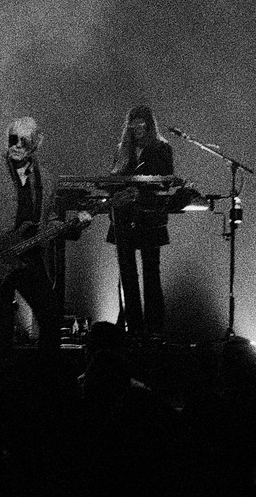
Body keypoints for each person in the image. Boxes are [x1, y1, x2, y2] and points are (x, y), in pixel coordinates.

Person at [0, 117, 91, 369]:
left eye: (23, 141)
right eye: (12, 139)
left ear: (36, 144)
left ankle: (42, 383)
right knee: (3, 329)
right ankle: (0, 390)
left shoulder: (47, 179)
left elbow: (48, 223)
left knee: (50, 317)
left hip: (29, 257)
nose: (16, 145)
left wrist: (74, 226)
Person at [106, 105, 173, 338]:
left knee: (151, 272)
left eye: (140, 121)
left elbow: (165, 181)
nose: (136, 126)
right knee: (126, 273)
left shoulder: (162, 149)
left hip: (149, 217)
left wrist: (141, 192)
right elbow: (113, 180)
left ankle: (154, 328)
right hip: (124, 217)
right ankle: (133, 327)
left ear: (149, 124)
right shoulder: (122, 150)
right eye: (132, 122)